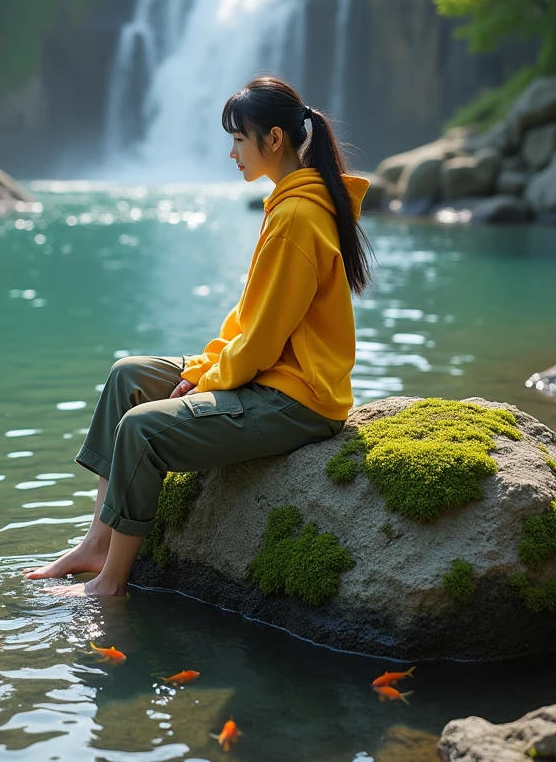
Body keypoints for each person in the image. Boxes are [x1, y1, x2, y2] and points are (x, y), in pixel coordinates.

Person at [25, 76, 372, 597]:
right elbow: (248, 320)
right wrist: (204, 369)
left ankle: (111, 584)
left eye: (238, 138)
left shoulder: (298, 216)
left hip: (297, 399)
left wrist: (207, 380)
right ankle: (97, 542)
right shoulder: (287, 203)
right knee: (129, 377)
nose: (231, 152)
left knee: (141, 428)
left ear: (274, 139)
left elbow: (259, 344)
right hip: (269, 375)